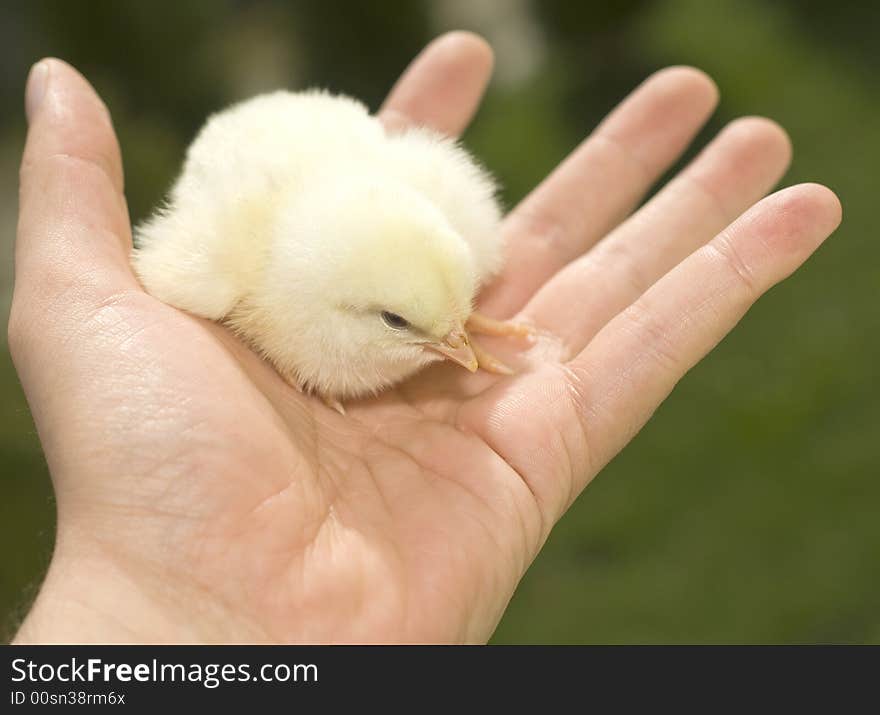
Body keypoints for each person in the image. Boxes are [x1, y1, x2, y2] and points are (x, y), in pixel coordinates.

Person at [9, 32, 840, 643]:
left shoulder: (432, 231)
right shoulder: (226, 266)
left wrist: (444, 323)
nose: (457, 348)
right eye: (412, 325)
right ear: (337, 301)